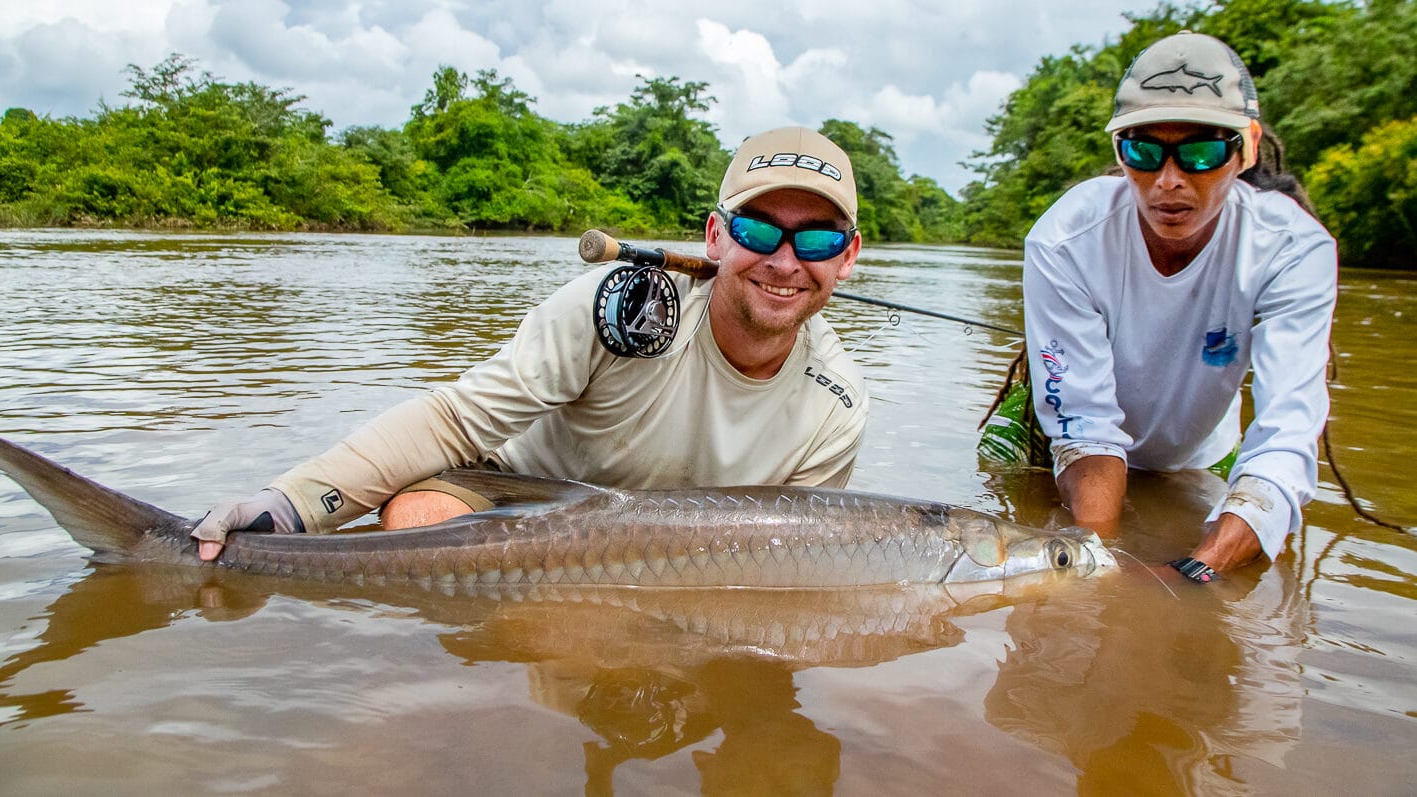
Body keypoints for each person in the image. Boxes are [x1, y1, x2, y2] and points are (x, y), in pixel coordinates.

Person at [191, 126, 869, 560]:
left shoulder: (836, 407)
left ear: (848, 256)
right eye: (757, 232)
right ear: (715, 237)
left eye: (816, 239)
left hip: (675, 550)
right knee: (420, 517)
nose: (784, 261)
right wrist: (291, 505)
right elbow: (455, 421)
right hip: (519, 495)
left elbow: (790, 556)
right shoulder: (625, 308)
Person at [1020, 31, 1337, 581]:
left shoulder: (1293, 248)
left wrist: (1198, 570)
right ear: (1118, 149)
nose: (1169, 182)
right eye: (1143, 151)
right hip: (1060, 430)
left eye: (1201, 152)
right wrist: (1096, 569)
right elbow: (1085, 427)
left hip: (1200, 450)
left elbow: (1285, 434)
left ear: (1247, 148)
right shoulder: (1064, 238)